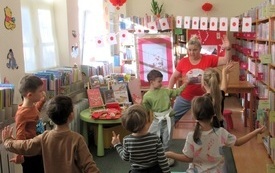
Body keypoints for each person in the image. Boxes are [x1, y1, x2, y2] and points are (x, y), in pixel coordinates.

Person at [165, 95, 266, 172]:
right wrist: (256, 131)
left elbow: (188, 158)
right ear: (213, 114)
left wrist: (170, 154)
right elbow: (238, 142)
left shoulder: (191, 136)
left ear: (195, 117)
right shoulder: (221, 132)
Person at [2, 95, 100, 173]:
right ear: (71, 116)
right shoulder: (77, 139)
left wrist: (7, 141)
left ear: (50, 117)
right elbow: (89, 166)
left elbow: (24, 146)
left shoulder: (44, 138)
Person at [168, 35, 232, 123]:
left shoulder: (208, 59)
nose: (191, 52)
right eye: (189, 50)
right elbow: (174, 77)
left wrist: (228, 49)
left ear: (200, 49)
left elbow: (225, 60)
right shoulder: (183, 61)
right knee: (171, 119)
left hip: (204, 99)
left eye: (195, 50)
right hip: (185, 97)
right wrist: (168, 93)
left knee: (206, 122)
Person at [136, 69, 188, 166]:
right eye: (159, 81)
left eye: (161, 81)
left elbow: (177, 92)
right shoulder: (147, 96)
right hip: (157, 121)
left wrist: (185, 84)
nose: (161, 83)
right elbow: (146, 109)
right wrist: (140, 104)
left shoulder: (165, 91)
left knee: (166, 140)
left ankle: (166, 157)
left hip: (169, 120)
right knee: (149, 136)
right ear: (151, 82)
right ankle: (151, 155)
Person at [111, 104, 171, 173]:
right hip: (155, 170)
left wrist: (117, 144)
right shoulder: (155, 139)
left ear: (126, 126)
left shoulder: (127, 141)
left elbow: (125, 158)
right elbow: (162, 159)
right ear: (146, 121)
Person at [11, 75, 47, 173]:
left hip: (37, 148)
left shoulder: (32, 106)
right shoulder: (21, 114)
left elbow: (35, 113)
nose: (43, 93)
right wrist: (19, 155)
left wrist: (42, 101)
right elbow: (20, 136)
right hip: (30, 153)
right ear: (30, 95)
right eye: (40, 91)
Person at [202, 62, 234, 127]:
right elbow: (224, 86)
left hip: (208, 130)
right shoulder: (220, 94)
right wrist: (225, 73)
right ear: (218, 82)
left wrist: (224, 73)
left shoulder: (203, 100)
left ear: (204, 83)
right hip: (220, 128)